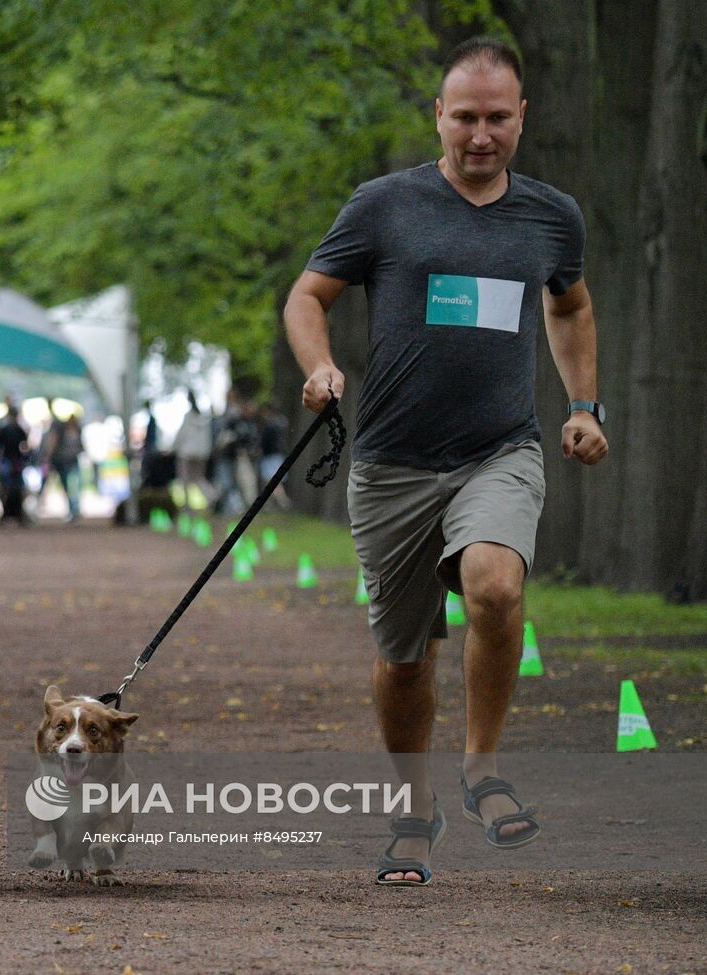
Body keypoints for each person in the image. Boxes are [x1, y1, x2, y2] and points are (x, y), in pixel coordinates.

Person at [283, 37, 607, 886]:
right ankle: (412, 809)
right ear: (439, 115)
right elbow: (307, 296)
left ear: (522, 117)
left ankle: (482, 769)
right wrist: (318, 365)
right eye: (465, 116)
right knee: (403, 656)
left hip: (499, 450)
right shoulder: (384, 205)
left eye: (498, 118)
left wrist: (583, 405)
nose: (481, 135)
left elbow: (569, 305)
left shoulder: (550, 215)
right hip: (391, 464)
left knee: (497, 584)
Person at [172, 391, 215, 512]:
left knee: (184, 479)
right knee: (199, 478)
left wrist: (173, 447)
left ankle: (186, 505)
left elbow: (181, 434)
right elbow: (207, 438)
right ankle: (211, 496)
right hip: (201, 454)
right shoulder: (203, 419)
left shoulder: (188, 417)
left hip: (186, 453)